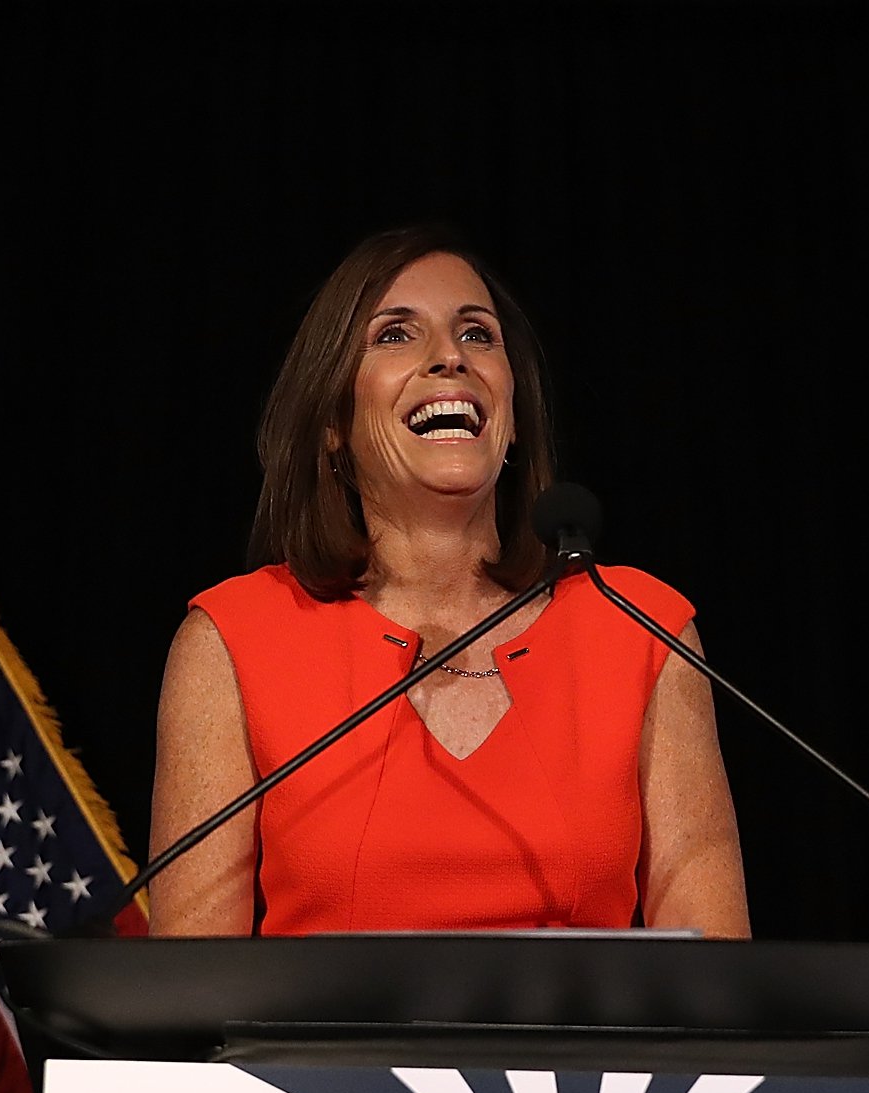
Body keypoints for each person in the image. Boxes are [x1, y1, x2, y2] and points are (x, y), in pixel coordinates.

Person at [148, 227, 748, 937]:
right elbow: (189, 1005)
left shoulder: (641, 628)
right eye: (395, 335)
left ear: (514, 413)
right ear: (333, 419)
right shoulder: (235, 639)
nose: (450, 358)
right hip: (321, 1053)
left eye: (478, 334)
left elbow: (712, 996)